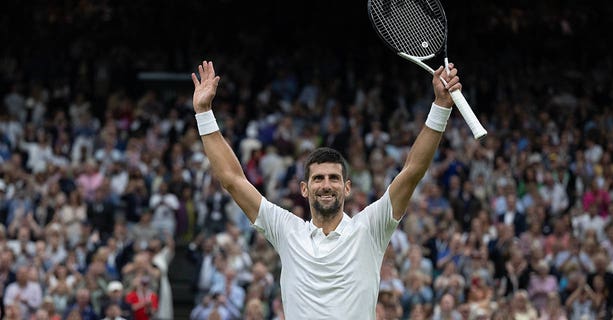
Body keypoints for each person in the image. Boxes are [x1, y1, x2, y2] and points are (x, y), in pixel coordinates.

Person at [190, 60, 462, 319]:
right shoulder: (287, 231)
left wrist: (440, 106)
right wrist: (203, 113)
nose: (326, 185)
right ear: (305, 189)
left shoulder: (369, 229)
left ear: (346, 188)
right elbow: (232, 180)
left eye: (334, 178)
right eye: (318, 179)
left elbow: (412, 171)